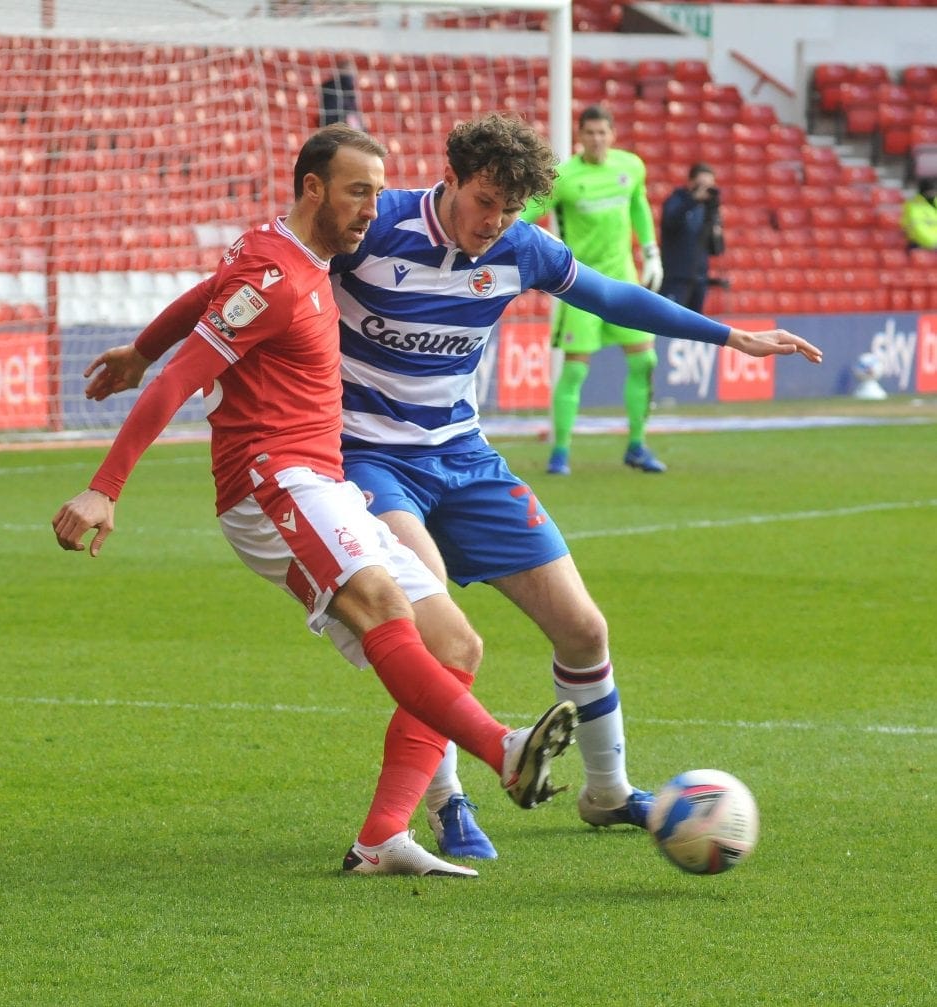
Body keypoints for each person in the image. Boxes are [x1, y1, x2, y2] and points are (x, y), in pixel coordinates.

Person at [83, 113, 823, 864]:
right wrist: (145, 352)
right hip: (367, 459)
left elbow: (612, 296)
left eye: (509, 209)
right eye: (484, 202)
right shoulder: (372, 223)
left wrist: (729, 334)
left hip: (462, 456)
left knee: (584, 628)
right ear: (453, 179)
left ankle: (607, 792)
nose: (493, 222)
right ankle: (447, 803)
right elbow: (232, 289)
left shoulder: (520, 248)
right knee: (427, 617)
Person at [52, 124, 579, 879]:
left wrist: (139, 347)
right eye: (358, 191)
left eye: (376, 190)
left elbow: (205, 298)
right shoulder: (275, 276)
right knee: (377, 603)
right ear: (313, 189)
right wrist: (105, 488)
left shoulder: (297, 258)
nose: (373, 208)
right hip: (270, 482)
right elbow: (181, 380)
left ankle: (382, 840)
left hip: (323, 480)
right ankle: (502, 748)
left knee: (457, 645)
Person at [520, 105, 668, 476]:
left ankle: (637, 444)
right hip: (580, 286)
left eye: (603, 132)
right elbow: (528, 215)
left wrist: (651, 252)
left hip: (624, 283)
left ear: (612, 134)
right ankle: (560, 452)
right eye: (590, 133)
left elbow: (639, 205)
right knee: (574, 373)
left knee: (644, 361)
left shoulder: (630, 167)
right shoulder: (565, 177)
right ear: (580, 136)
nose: (597, 139)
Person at [660, 162, 725, 314]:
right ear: (690, 182)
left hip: (700, 278)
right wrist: (693, 200)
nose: (705, 190)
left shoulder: (708, 209)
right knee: (670, 319)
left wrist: (714, 221)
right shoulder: (677, 200)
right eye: (701, 184)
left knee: (695, 325)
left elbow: (717, 249)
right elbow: (670, 222)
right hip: (676, 277)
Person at [319, 59, 364, 130]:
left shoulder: (349, 89)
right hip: (337, 126)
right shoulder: (332, 87)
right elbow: (331, 112)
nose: (353, 73)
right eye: (350, 70)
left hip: (342, 126)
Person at [901, 176, 937, 250]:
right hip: (920, 246)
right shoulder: (913, 206)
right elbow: (918, 230)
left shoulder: (934, 202)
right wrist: (932, 243)